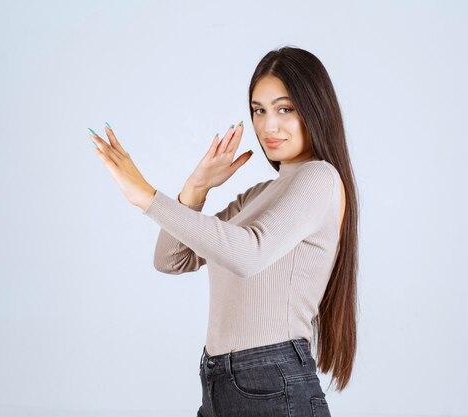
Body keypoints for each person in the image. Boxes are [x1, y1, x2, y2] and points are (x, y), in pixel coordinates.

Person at [89, 46, 359, 417]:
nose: (269, 126)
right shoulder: (260, 195)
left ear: (315, 109)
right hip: (221, 383)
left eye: (285, 109)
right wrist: (195, 190)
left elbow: (247, 255)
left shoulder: (321, 178)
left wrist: (148, 197)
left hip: (271, 385)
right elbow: (171, 259)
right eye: (258, 110)